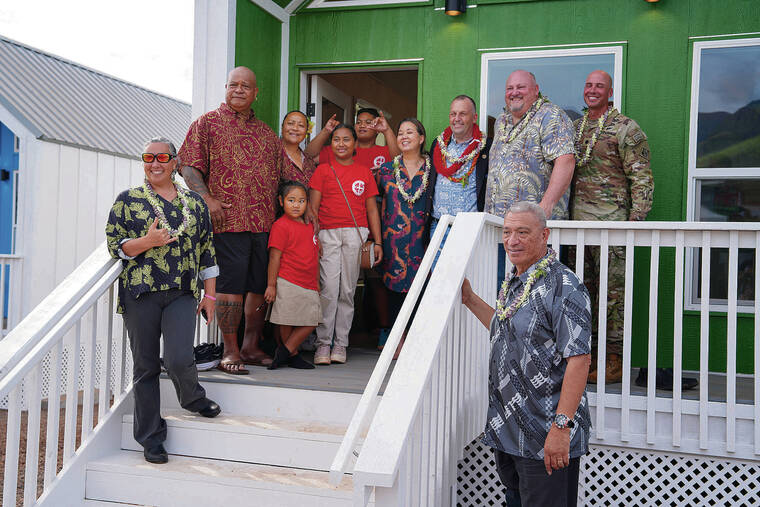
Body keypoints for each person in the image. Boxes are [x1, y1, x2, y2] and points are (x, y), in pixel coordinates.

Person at [461, 201, 592, 507]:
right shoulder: (516, 281)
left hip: (545, 431)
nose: (512, 240)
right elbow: (506, 327)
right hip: (509, 428)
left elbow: (580, 359)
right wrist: (469, 299)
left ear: (544, 234)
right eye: (507, 232)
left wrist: (561, 428)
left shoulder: (565, 286)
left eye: (522, 232)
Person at [572, 70, 694, 390]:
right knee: (581, 294)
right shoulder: (575, 128)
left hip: (612, 227)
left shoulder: (626, 128)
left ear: (610, 92)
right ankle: (585, 357)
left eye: (600, 86)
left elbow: (641, 175)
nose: (593, 90)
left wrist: (636, 217)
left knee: (613, 297)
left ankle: (613, 361)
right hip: (576, 230)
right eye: (588, 85)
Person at [178, 66, 301, 374]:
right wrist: (207, 199)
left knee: (258, 287)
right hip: (227, 222)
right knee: (230, 287)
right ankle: (230, 350)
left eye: (246, 86)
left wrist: (307, 204)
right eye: (234, 84)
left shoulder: (267, 135)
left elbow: (288, 177)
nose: (240, 90)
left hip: (263, 223)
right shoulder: (206, 124)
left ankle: (251, 347)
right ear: (226, 88)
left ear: (255, 92)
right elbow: (188, 167)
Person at [105, 137, 221, 464]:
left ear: (174, 162)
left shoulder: (194, 204)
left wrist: (210, 294)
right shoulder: (128, 200)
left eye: (162, 157)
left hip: (183, 293)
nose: (154, 163)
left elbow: (207, 251)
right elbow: (116, 246)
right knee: (145, 366)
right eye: (148, 157)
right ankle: (151, 437)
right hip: (141, 292)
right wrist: (147, 241)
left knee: (179, 357)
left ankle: (192, 398)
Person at [486, 70, 576, 283]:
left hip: (533, 232)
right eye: (510, 88)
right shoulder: (501, 122)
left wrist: (546, 206)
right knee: (504, 291)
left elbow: (565, 160)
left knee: (536, 293)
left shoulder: (551, 116)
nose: (514, 92)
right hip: (503, 231)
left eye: (521, 87)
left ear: (536, 91)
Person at [309, 124, 383, 365]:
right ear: (331, 144)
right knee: (329, 289)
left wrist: (377, 240)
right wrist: (314, 237)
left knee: (348, 290)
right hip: (328, 234)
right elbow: (313, 208)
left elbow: (372, 208)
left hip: (356, 234)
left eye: (346, 140)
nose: (341, 144)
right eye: (337, 140)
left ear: (354, 144)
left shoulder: (364, 172)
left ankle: (340, 344)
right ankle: (323, 344)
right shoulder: (322, 170)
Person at [376, 118, 435, 358]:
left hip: (423, 239)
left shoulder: (433, 170)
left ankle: (417, 343)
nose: (404, 136)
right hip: (393, 240)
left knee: (422, 289)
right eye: (400, 132)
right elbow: (375, 206)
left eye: (410, 132)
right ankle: (397, 340)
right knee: (393, 289)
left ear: (421, 138)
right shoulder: (387, 171)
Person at [264, 181, 320, 370]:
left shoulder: (309, 225)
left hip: (309, 283)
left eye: (302, 201)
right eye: (291, 200)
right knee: (286, 319)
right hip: (288, 280)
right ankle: (291, 355)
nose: (296, 205)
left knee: (311, 321)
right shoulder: (280, 226)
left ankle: (285, 351)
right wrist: (271, 285)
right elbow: (274, 257)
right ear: (281, 201)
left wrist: (317, 283)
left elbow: (314, 255)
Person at [428, 95, 491, 246]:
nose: (457, 118)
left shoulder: (486, 146)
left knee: (471, 271)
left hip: (470, 228)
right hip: (439, 227)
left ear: (474, 117)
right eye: (453, 114)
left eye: (463, 114)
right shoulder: (438, 144)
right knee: (439, 270)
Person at [306, 108, 400, 169]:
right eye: (358, 122)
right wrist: (326, 131)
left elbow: (400, 162)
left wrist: (387, 130)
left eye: (368, 122)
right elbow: (307, 157)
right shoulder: (341, 149)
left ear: (377, 129)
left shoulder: (385, 151)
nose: (362, 125)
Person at [281, 110, 317, 186]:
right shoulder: (272, 154)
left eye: (301, 125)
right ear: (282, 127)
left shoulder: (309, 161)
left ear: (306, 131)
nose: (295, 128)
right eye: (290, 123)